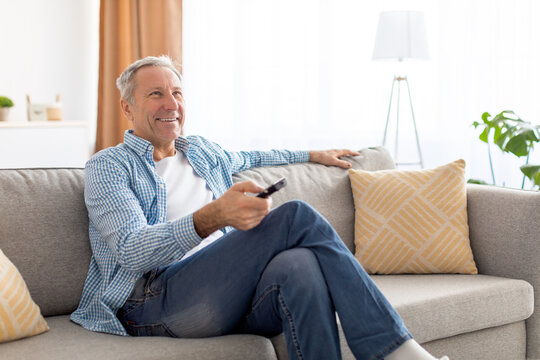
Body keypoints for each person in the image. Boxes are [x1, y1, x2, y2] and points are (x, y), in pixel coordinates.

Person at [71, 55, 448, 360]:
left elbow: (255, 154)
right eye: (156, 94)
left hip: (224, 294)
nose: (171, 104)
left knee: (299, 266)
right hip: (153, 304)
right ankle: (395, 351)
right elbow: (131, 250)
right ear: (127, 107)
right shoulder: (108, 166)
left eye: (178, 93)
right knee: (295, 215)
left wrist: (313, 153)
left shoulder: (201, 150)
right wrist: (213, 216)